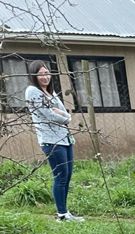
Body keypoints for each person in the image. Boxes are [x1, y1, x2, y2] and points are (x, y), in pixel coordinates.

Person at [24, 61, 84, 222]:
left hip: (65, 138)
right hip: (51, 140)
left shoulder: (50, 93)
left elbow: (62, 112)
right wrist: (66, 118)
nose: (45, 77)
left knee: (68, 175)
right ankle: (61, 215)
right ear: (34, 75)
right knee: (61, 176)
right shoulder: (33, 91)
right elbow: (49, 115)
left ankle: (66, 212)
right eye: (41, 74)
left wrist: (64, 116)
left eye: (47, 73)